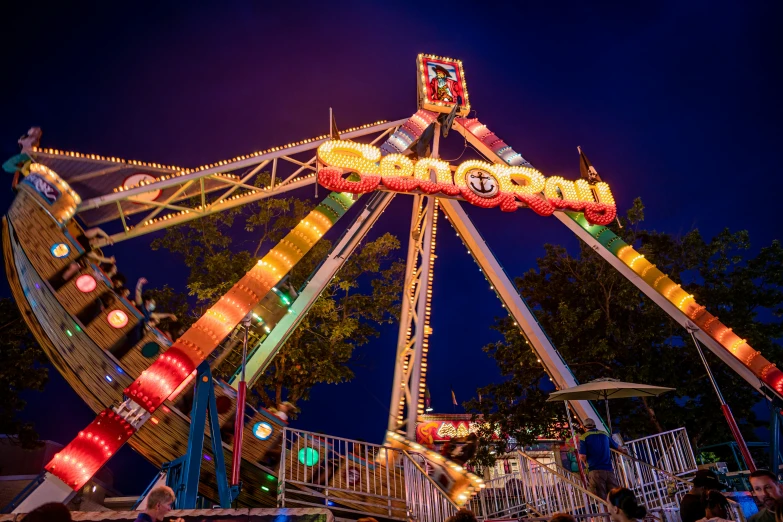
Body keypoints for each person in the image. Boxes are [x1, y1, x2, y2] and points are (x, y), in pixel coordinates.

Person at [579, 417, 623, 501]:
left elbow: (582, 456)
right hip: (609, 470)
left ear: (584, 427)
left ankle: (605, 513)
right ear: (594, 425)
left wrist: (585, 463)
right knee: (615, 496)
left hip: (595, 471)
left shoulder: (584, 437)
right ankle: (620, 513)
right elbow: (618, 447)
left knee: (601, 499)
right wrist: (625, 451)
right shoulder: (604, 434)